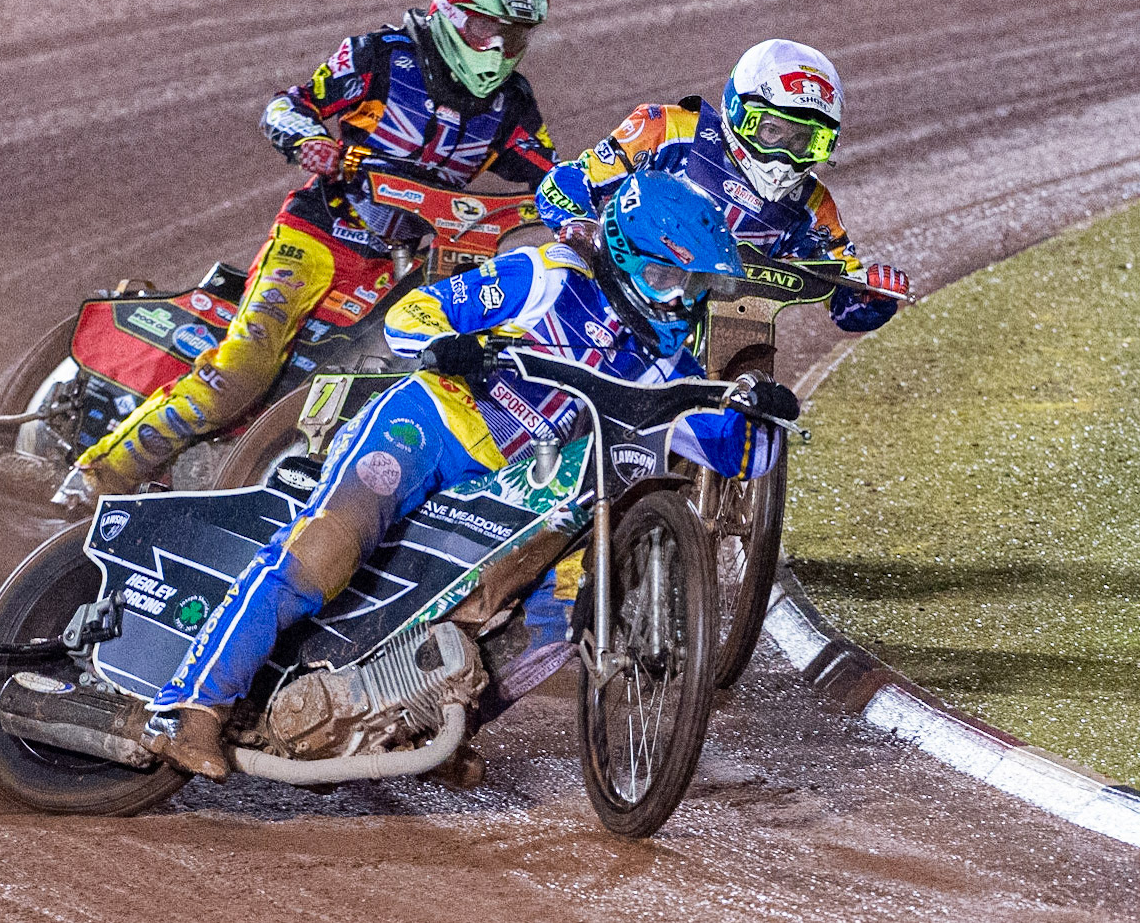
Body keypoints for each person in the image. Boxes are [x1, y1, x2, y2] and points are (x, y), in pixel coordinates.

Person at [138, 171, 799, 776]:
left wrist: (757, 413)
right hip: (428, 426)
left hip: (517, 488)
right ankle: (189, 706)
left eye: (696, 287)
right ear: (625, 258)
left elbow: (737, 454)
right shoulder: (543, 276)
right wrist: (454, 346)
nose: (679, 300)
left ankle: (419, 726)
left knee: (558, 616)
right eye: (666, 280)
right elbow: (414, 314)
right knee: (323, 554)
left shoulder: (669, 366)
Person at [54, 0, 558, 511]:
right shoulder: (381, 57)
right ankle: (95, 478)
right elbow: (286, 106)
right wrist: (311, 139)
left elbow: (553, 178)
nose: (495, 48)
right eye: (483, 28)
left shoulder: (512, 103)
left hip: (412, 264)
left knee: (444, 373)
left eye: (511, 37)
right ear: (448, 12)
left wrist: (602, 191)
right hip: (318, 235)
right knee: (246, 368)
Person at [534, 38, 909, 332]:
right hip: (610, 299)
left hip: (715, 342)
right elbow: (565, 182)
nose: (785, 155)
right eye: (773, 130)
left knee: (758, 413)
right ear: (738, 111)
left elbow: (844, 304)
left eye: (805, 142)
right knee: (547, 277)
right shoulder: (669, 129)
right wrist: (580, 224)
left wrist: (873, 295)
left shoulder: (812, 208)